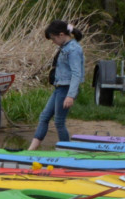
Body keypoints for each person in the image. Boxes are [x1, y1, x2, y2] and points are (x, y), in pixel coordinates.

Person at [28, 20, 84, 150]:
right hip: (59, 88)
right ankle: (31, 150)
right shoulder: (64, 47)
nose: (53, 42)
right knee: (44, 116)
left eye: (53, 39)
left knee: (59, 121)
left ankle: (66, 150)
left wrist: (70, 96)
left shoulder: (73, 49)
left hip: (66, 89)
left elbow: (76, 73)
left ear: (61, 35)